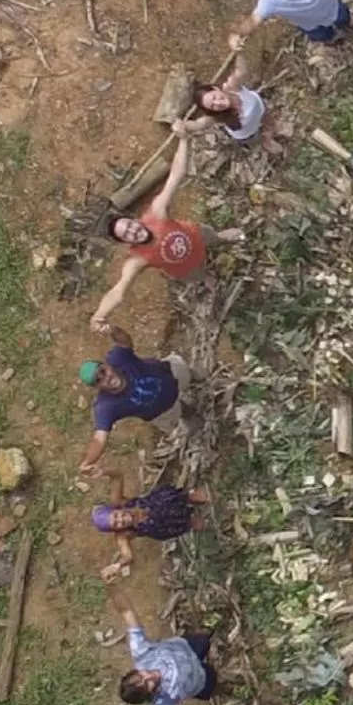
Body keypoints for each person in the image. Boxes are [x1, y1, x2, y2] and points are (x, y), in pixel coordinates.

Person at [91, 129, 241, 330]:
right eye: (126, 234)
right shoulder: (136, 260)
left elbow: (177, 174)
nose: (133, 231)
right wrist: (100, 315)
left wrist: (184, 139)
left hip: (198, 235)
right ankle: (206, 278)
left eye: (130, 225)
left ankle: (223, 238)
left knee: (214, 236)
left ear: (134, 219)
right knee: (199, 275)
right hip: (186, 269)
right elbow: (118, 292)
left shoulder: (157, 212)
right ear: (126, 242)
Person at [106, 582, 217, 705]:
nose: (150, 676)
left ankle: (211, 634)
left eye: (142, 675)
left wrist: (112, 584)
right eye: (147, 685)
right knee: (216, 681)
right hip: (202, 680)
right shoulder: (163, 704)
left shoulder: (142, 653)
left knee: (205, 636)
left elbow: (127, 611)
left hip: (188, 646)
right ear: (150, 695)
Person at [77, 328, 181, 474]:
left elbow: (124, 340)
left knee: (198, 376)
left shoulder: (119, 358)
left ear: (107, 365)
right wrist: (87, 462)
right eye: (98, 380)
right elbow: (99, 439)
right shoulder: (106, 407)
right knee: (186, 421)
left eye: (103, 371)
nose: (106, 378)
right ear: (97, 387)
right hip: (165, 412)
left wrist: (110, 327)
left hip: (173, 373)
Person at [93, 474, 211, 579]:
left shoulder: (119, 502)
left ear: (115, 510)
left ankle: (210, 497)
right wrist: (117, 566)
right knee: (190, 523)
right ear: (115, 529)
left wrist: (103, 471)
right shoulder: (123, 536)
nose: (121, 520)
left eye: (116, 516)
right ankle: (212, 525)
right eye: (116, 524)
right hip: (164, 525)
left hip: (162, 502)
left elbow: (117, 477)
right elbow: (127, 557)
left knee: (187, 497)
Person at [189, 61, 267, 145]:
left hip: (260, 109)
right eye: (213, 106)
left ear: (216, 89)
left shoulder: (232, 87)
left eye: (214, 97)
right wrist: (183, 126)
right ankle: (266, 142)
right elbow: (199, 124)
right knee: (260, 139)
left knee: (270, 122)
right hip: (248, 133)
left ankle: (272, 130)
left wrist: (238, 51)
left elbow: (242, 72)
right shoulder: (217, 116)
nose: (218, 103)